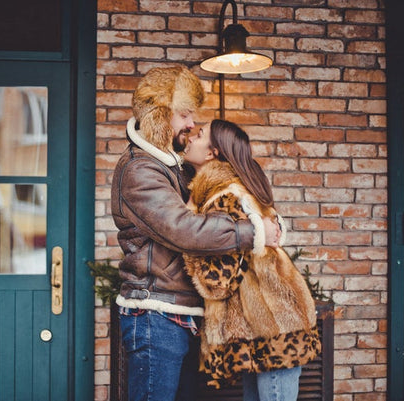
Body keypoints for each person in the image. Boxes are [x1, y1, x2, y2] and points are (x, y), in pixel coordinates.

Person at [111, 66, 281, 401]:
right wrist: (254, 232)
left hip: (182, 315)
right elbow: (185, 230)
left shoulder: (175, 167)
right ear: (161, 115)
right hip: (155, 315)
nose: (191, 125)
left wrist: (267, 218)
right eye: (185, 114)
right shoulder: (140, 169)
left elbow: (233, 184)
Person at [182, 119, 321, 400]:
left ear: (212, 153)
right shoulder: (234, 192)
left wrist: (187, 244)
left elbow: (217, 282)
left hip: (271, 333)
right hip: (268, 331)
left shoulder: (223, 199)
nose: (189, 139)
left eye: (198, 135)